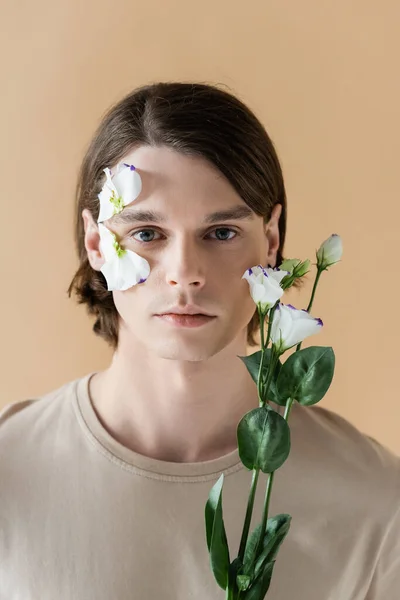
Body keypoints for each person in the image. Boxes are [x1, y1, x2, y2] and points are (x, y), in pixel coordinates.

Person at [0, 82, 399, 599]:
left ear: (271, 240)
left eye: (221, 233)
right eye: (147, 233)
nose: (185, 273)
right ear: (96, 243)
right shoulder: (10, 473)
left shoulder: (376, 503)